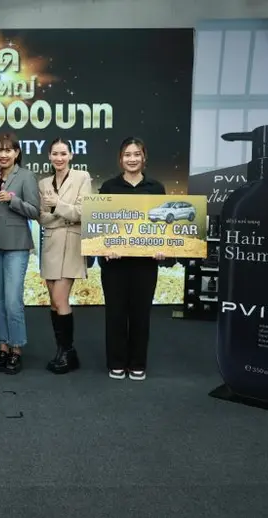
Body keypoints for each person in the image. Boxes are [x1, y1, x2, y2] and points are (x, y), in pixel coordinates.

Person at [98, 137, 165, 381]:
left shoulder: (156, 188)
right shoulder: (108, 187)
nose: (132, 159)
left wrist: (161, 247)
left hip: (145, 264)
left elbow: (163, 227)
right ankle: (116, 362)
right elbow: (101, 225)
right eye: (127, 154)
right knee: (115, 313)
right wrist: (106, 247)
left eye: (137, 154)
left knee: (141, 314)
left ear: (144, 157)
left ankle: (138, 363)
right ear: (120, 159)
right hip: (115, 264)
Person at [0, 133, 40, 375]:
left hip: (16, 245)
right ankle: (3, 347)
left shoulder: (26, 176)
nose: (3, 155)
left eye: (8, 150)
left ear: (17, 153)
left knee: (13, 301)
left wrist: (13, 200)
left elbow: (35, 211)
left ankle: (16, 349)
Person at [38, 138, 92, 374]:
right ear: (49, 157)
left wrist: (57, 205)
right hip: (51, 244)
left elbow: (83, 212)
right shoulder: (43, 183)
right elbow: (41, 217)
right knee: (53, 301)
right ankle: (63, 351)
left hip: (71, 244)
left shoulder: (82, 177)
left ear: (71, 155)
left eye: (63, 153)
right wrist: (63, 215)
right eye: (55, 154)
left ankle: (67, 351)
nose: (59, 158)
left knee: (61, 299)